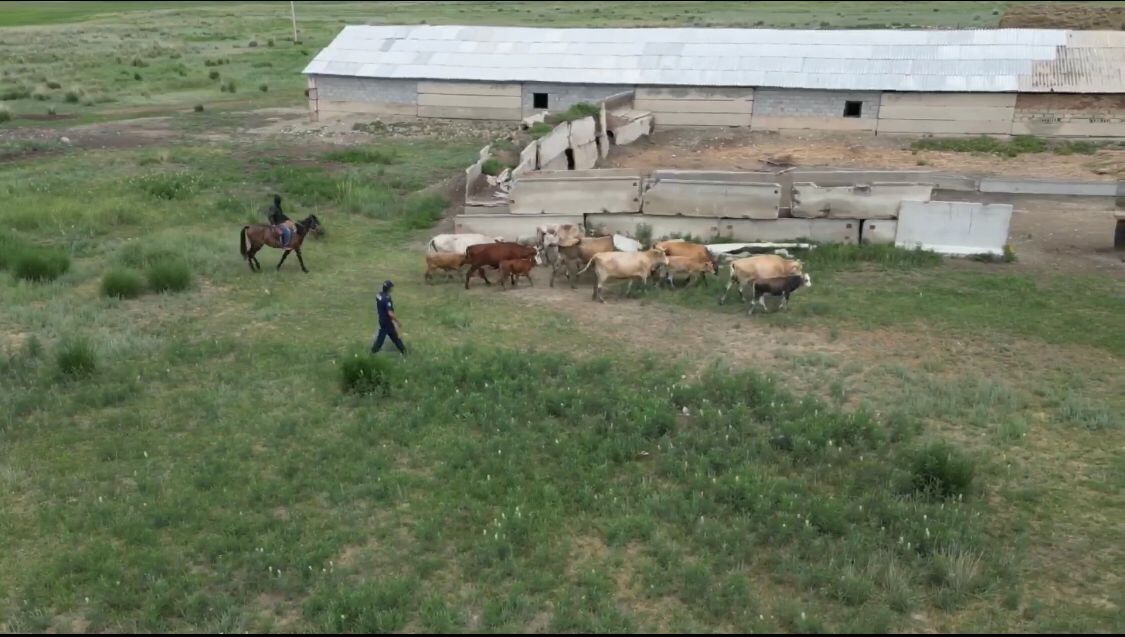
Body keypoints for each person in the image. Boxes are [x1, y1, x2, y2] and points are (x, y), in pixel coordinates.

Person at [371, 280, 406, 356]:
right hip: (387, 322)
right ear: (389, 289)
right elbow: (390, 313)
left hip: (381, 320)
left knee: (394, 337)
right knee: (390, 339)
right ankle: (372, 353)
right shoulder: (387, 299)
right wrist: (397, 322)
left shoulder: (379, 295)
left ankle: (373, 352)